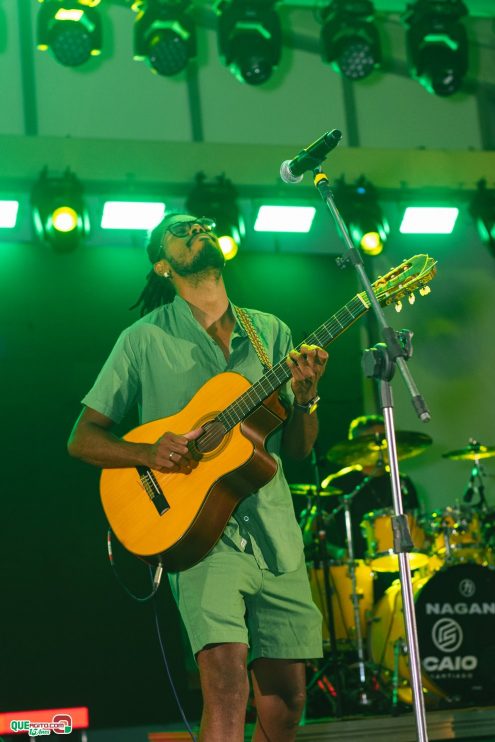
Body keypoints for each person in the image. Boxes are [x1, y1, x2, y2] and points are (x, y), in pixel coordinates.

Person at [67, 213, 329, 742]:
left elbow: (297, 450)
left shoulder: (269, 330)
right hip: (201, 534)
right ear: (163, 265)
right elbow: (82, 438)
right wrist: (147, 451)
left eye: (201, 225)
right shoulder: (142, 338)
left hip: (275, 532)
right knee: (228, 687)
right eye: (180, 230)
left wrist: (307, 400)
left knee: (286, 703)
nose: (196, 230)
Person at [324, 414, 420, 561]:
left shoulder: (402, 481)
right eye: (375, 441)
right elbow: (311, 536)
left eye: (386, 440)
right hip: (356, 568)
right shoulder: (338, 484)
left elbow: (415, 526)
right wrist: (338, 553)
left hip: (402, 562)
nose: (382, 446)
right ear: (356, 446)